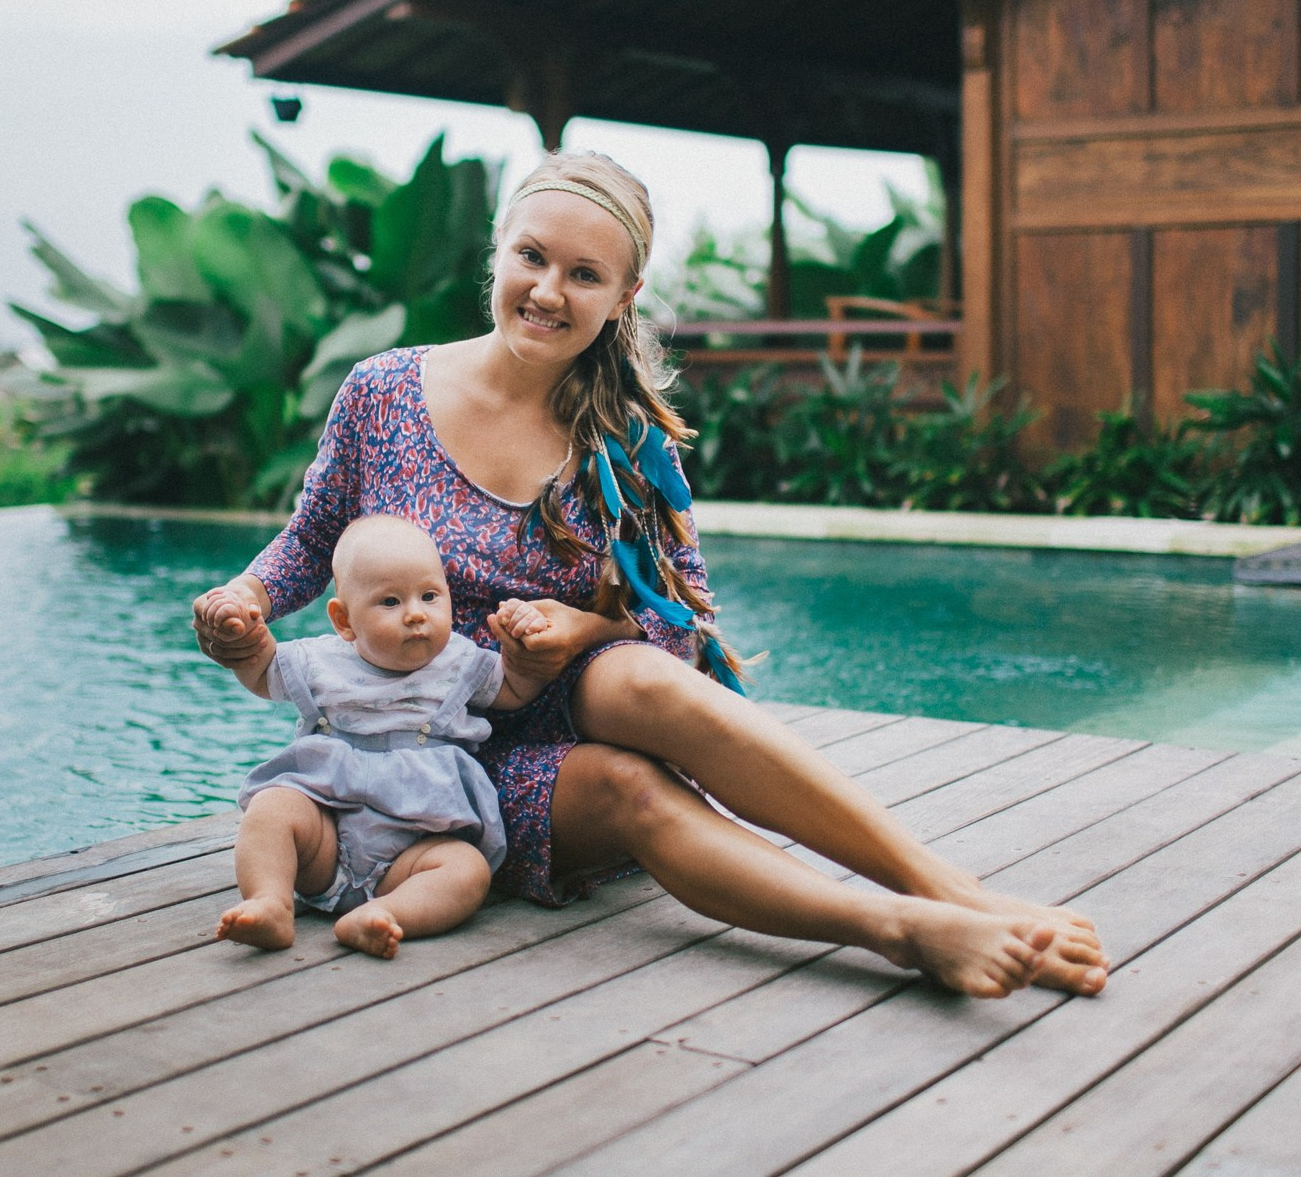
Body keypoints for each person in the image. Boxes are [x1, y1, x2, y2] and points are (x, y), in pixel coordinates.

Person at [195, 151, 1107, 998]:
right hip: (433, 768)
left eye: (584, 275)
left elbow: (679, 626)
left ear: (624, 294)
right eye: (533, 257)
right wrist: (247, 599)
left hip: (551, 710)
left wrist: (579, 630)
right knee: (634, 792)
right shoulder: (382, 393)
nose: (549, 291)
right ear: (498, 253)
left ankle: (953, 888)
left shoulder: (625, 440)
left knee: (639, 672)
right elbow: (310, 543)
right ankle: (899, 927)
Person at [209, 513, 554, 959]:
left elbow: (513, 688)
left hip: (411, 856)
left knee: (466, 870)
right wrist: (247, 635)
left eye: (430, 596)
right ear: (344, 621)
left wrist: (522, 644)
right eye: (390, 602)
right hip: (324, 845)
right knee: (272, 808)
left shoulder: (461, 662)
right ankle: (270, 902)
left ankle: (386, 913)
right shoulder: (321, 661)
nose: (415, 614)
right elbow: (263, 673)